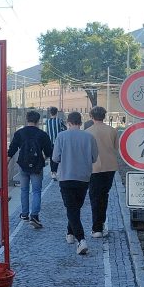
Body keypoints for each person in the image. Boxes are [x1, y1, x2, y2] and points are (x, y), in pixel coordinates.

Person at [52, 111, 98, 255]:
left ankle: (81, 240)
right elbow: (94, 158)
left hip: (66, 176)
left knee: (71, 208)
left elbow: (55, 158)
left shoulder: (61, 136)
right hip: (83, 177)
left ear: (68, 122)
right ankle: (70, 233)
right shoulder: (89, 137)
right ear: (80, 122)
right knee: (75, 207)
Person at [7, 111, 54, 228]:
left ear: (26, 119)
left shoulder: (19, 133)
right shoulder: (42, 134)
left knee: (24, 190)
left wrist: (6, 163)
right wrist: (43, 158)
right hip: (37, 166)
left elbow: (12, 149)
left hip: (23, 165)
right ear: (38, 121)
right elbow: (49, 152)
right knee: (36, 191)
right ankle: (34, 216)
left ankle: (24, 214)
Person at [86, 106, 119, 238]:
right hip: (110, 167)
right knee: (104, 195)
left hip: (94, 168)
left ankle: (96, 228)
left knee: (94, 197)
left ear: (91, 117)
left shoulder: (87, 132)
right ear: (104, 116)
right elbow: (116, 148)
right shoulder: (112, 130)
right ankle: (101, 224)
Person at [44, 106, 65, 180]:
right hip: (58, 142)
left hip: (50, 142)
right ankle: (54, 172)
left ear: (50, 113)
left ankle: (52, 172)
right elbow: (64, 129)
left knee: (51, 157)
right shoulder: (59, 120)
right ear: (57, 113)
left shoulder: (47, 121)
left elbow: (47, 132)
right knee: (57, 157)